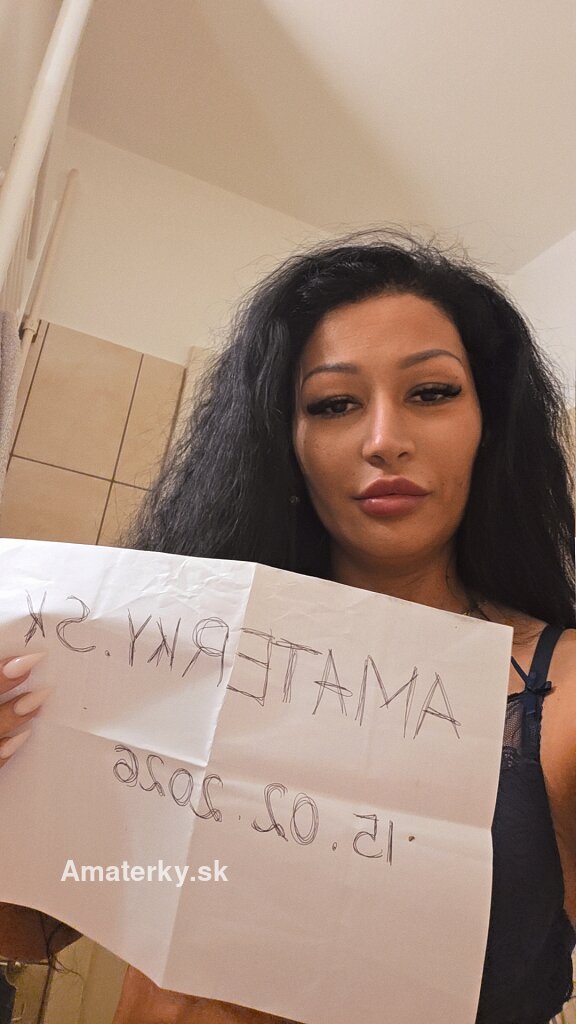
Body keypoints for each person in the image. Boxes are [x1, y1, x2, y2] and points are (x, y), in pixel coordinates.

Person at [0, 230, 574, 1024]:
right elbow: (26, 930)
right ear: (285, 443)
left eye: (432, 392)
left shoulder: (559, 692)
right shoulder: (166, 653)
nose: (385, 439)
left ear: (491, 424)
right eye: (334, 404)